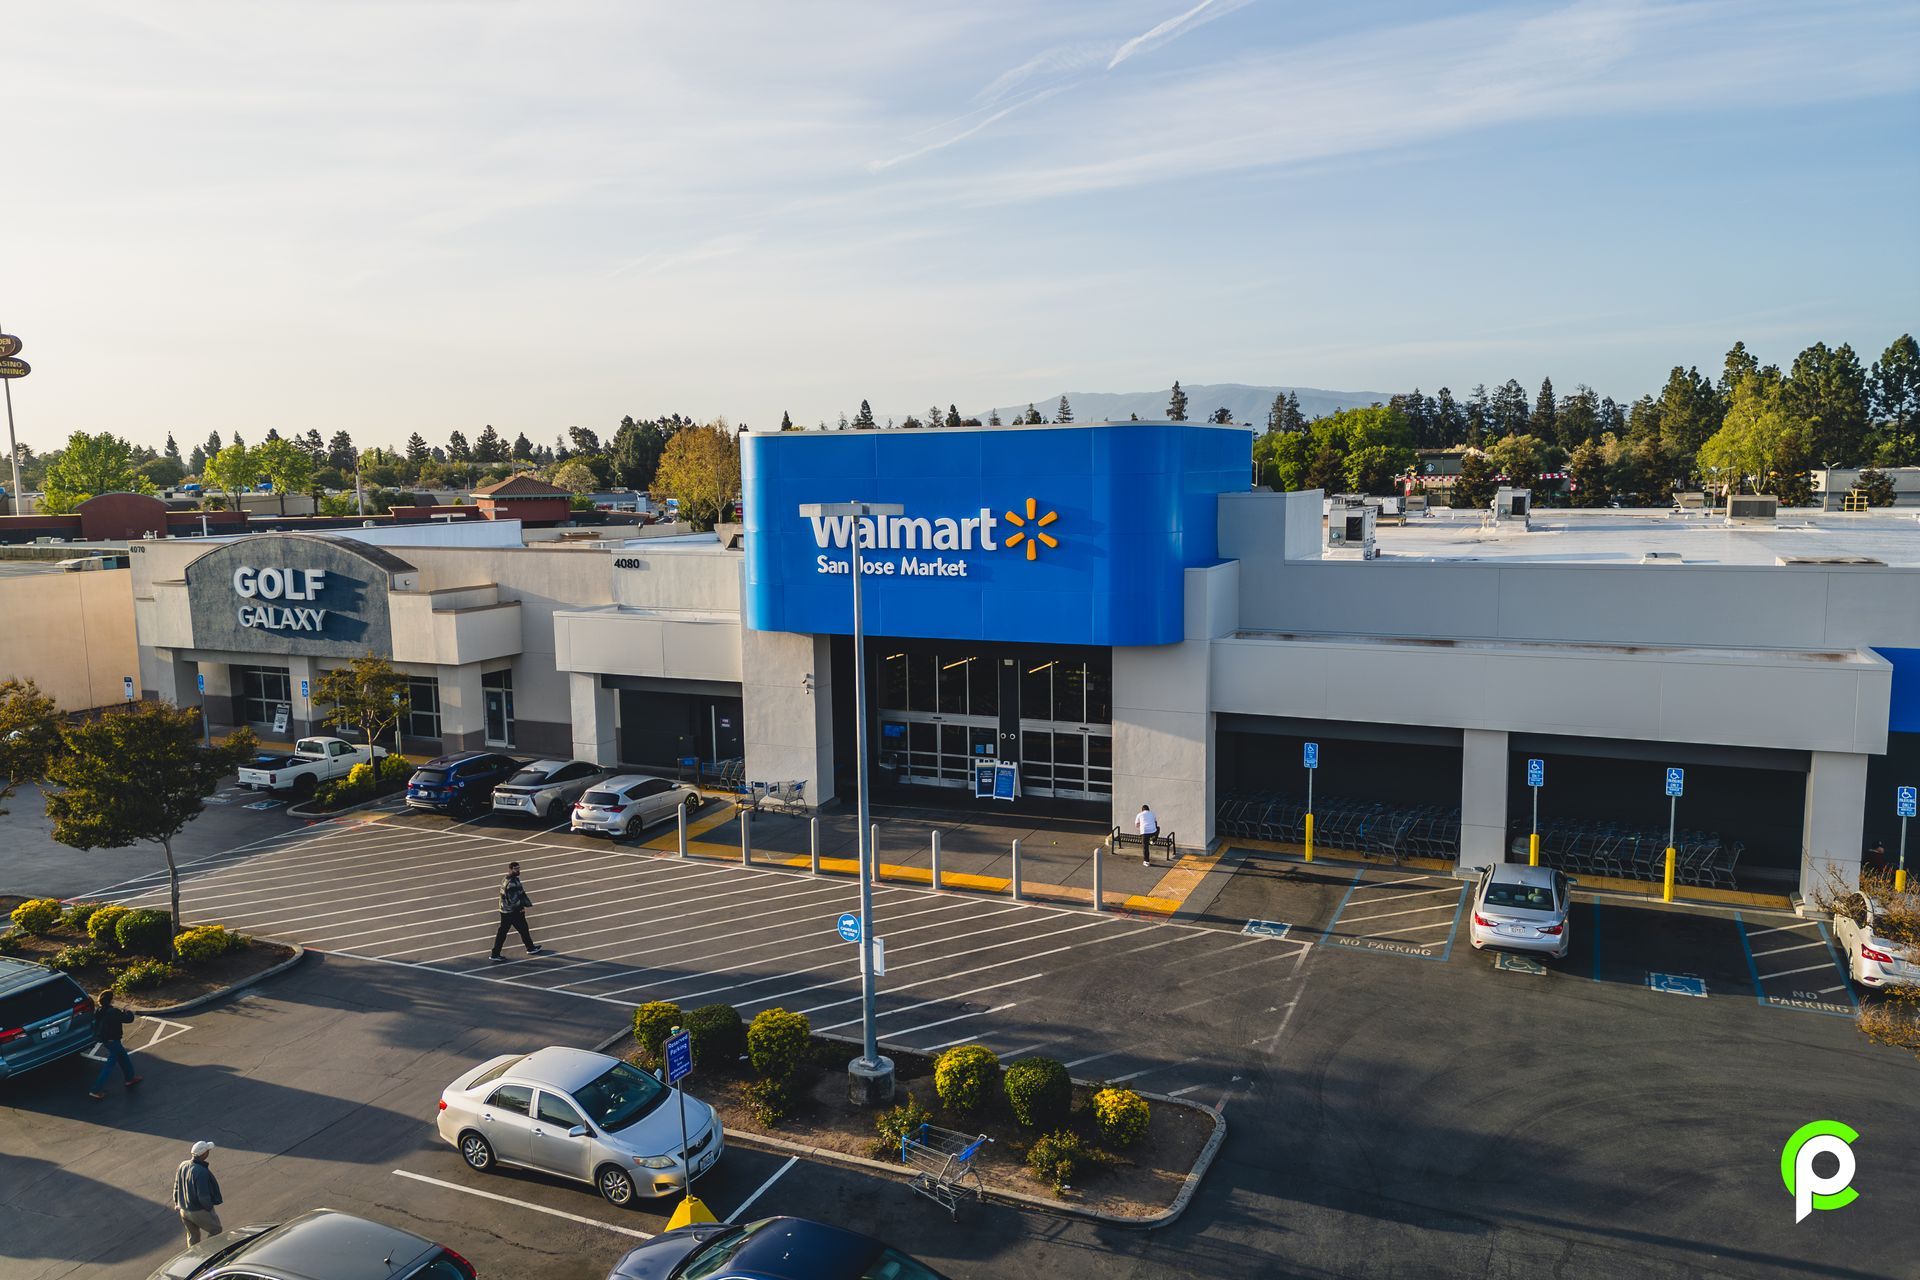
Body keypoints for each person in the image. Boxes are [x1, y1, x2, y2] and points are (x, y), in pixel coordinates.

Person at [87, 988, 142, 1100]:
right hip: (113, 1040)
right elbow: (128, 1019)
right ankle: (95, 1090)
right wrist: (127, 1011)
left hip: (107, 1040)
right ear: (111, 1000)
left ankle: (130, 1078)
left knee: (123, 1057)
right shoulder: (113, 1012)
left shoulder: (99, 1011)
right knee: (109, 1066)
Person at [490, 861, 545, 962]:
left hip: (505, 910)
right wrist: (520, 908)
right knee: (506, 931)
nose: (518, 870)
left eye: (519, 868)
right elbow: (513, 900)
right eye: (516, 869)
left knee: (521, 928)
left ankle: (530, 947)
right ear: (510, 869)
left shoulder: (507, 879)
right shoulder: (511, 883)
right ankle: (495, 953)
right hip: (511, 911)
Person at [172, 1140, 224, 1245]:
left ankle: (194, 1257)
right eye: (208, 1150)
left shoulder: (183, 1165)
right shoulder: (201, 1172)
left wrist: (177, 1203)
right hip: (197, 1211)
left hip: (183, 1210)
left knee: (193, 1237)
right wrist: (209, 1209)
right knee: (216, 1230)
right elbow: (203, 1196)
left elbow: (176, 1186)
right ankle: (210, 1251)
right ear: (204, 1154)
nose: (209, 1152)